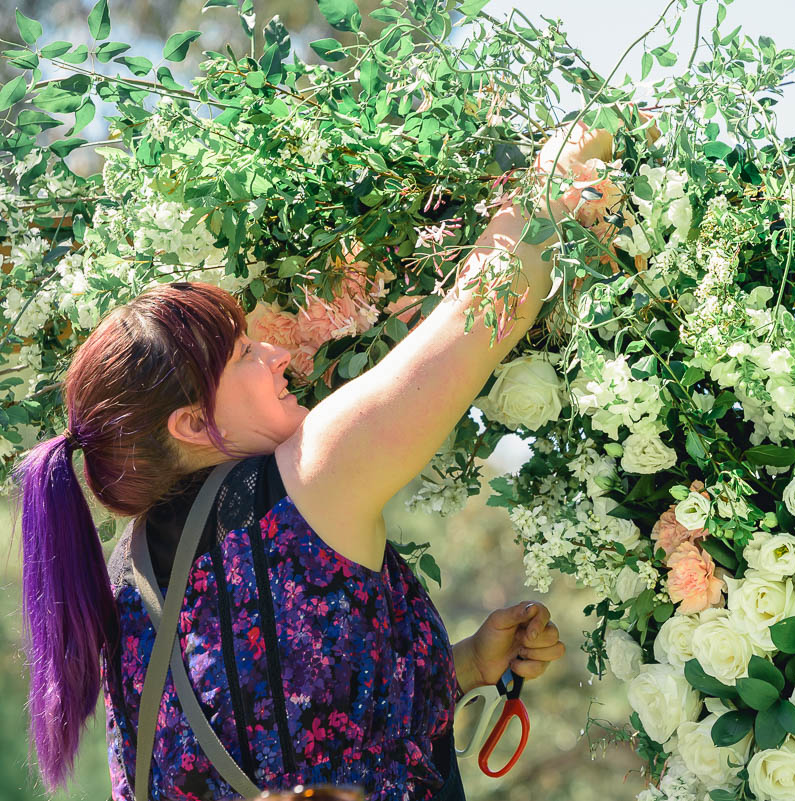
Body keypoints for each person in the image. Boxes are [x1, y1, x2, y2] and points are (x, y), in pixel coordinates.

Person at [13, 121, 615, 800]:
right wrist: (557, 171)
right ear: (189, 423)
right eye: (243, 355)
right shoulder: (306, 478)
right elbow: (486, 308)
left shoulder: (129, 571)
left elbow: (301, 725)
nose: (275, 354)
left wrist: (466, 665)